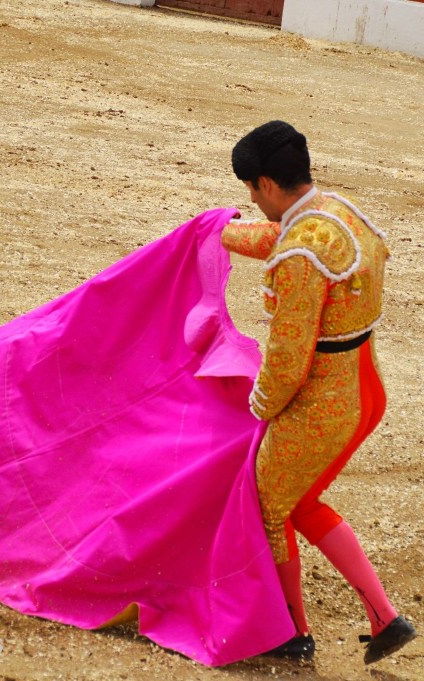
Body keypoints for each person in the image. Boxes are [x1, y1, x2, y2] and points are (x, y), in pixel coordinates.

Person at [222, 120, 417, 664]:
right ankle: (385, 620)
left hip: (325, 401)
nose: (251, 200)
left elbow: (287, 362)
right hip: (365, 384)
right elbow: (285, 237)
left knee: (267, 504)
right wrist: (220, 231)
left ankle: (290, 634)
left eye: (250, 190)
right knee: (301, 501)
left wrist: (257, 408)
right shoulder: (336, 213)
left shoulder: (301, 255)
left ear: (265, 183)